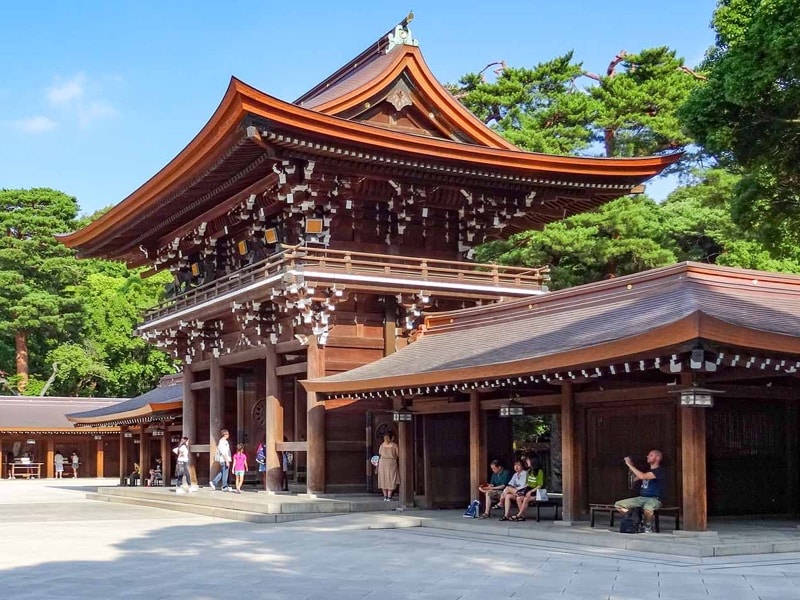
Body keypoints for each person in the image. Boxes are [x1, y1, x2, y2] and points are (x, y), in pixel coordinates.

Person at [615, 450, 664, 533]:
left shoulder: (659, 471)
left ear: (658, 458)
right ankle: (636, 520)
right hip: (641, 498)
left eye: (651, 455)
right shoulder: (647, 471)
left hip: (654, 499)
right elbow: (633, 480)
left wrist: (629, 464)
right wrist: (631, 465)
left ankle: (647, 525)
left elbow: (642, 476)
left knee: (648, 508)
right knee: (619, 505)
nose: (648, 457)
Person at [502, 455, 544, 522]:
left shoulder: (539, 471)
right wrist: (524, 491)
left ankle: (518, 515)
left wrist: (531, 491)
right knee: (518, 497)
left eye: (528, 460)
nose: (527, 462)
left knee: (526, 498)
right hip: (528, 489)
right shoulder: (529, 471)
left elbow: (540, 485)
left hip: (536, 491)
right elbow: (527, 484)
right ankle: (522, 516)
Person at [377, 432, 400, 501]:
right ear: (392, 437)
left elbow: (380, 454)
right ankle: (389, 496)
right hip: (391, 462)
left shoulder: (382, 445)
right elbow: (398, 454)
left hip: (382, 462)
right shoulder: (394, 445)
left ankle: (385, 496)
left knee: (383, 478)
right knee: (391, 478)